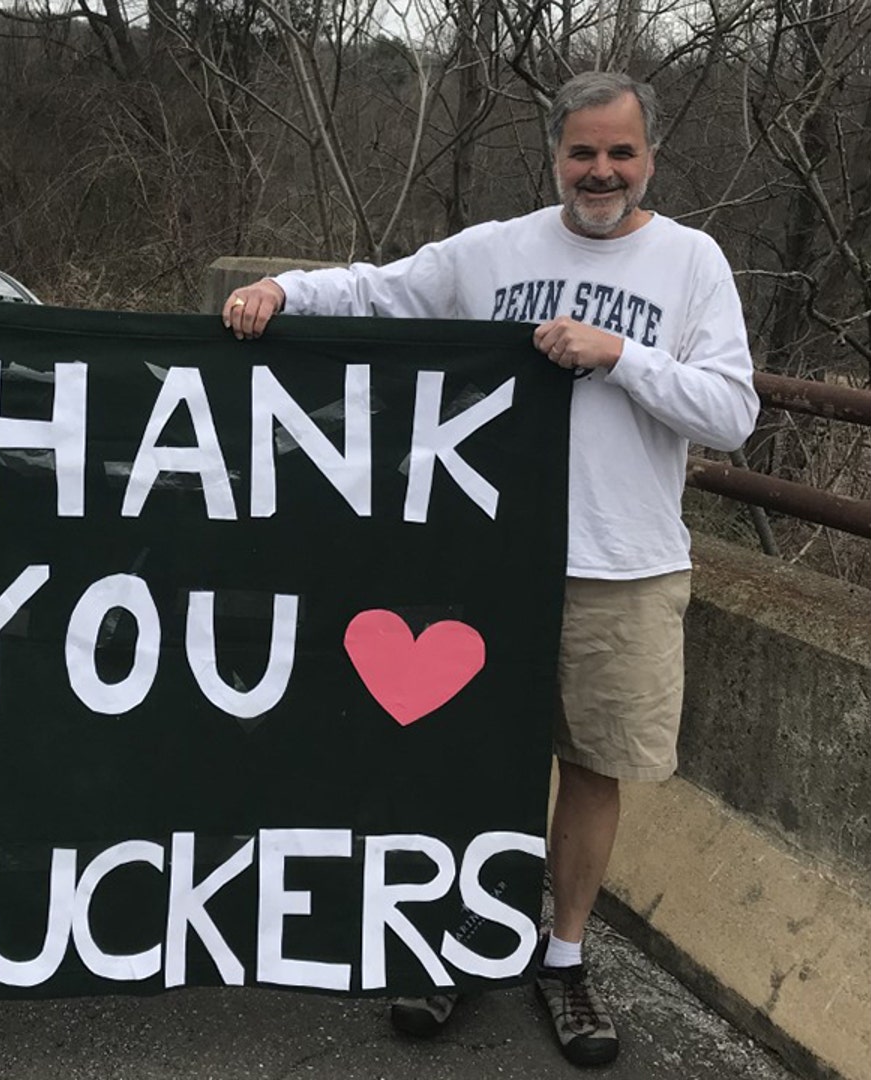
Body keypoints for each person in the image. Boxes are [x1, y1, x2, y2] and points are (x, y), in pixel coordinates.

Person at [222, 71, 758, 1068]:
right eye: (583, 152)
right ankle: (460, 940)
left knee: (592, 770)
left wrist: (618, 356)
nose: (602, 171)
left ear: (649, 158)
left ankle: (562, 957)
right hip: (489, 564)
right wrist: (282, 290)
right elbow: (382, 290)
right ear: (555, 156)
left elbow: (732, 413)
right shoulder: (494, 252)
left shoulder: (694, 263)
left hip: (624, 568)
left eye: (621, 153)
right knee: (470, 763)